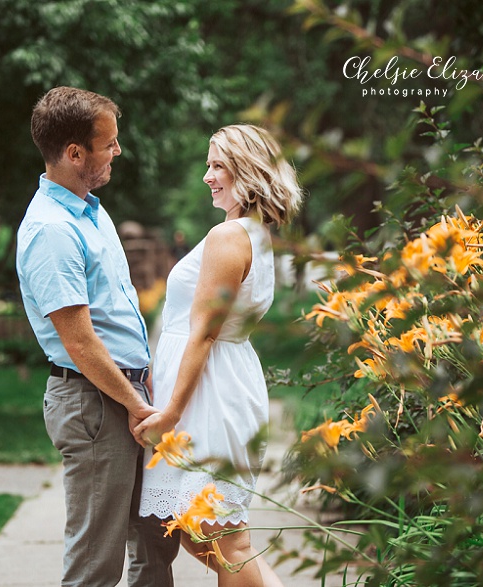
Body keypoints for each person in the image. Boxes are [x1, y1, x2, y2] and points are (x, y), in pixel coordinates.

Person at [16, 86, 179, 587]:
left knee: (157, 546)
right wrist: (136, 405)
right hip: (96, 405)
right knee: (96, 564)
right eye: (109, 143)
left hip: (129, 395)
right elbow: (79, 343)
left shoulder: (92, 211)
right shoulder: (52, 231)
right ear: (74, 153)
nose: (117, 151)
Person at [136, 124, 303, 586]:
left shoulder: (229, 238)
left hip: (210, 398)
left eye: (217, 165)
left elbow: (203, 335)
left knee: (226, 540)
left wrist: (170, 411)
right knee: (202, 533)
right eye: (208, 165)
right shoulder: (247, 232)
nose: (207, 176)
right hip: (213, 389)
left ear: (246, 171)